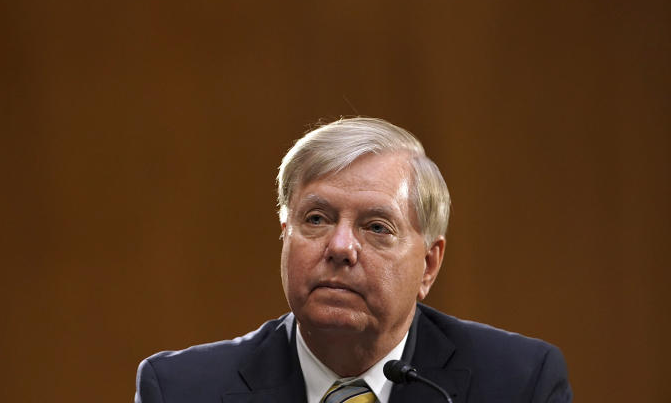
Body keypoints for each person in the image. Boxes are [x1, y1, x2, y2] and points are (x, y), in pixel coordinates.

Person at [134, 117, 571, 402]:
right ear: (286, 236)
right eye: (318, 219)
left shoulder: (519, 384)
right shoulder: (181, 390)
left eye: (377, 227)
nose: (341, 247)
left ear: (429, 265)